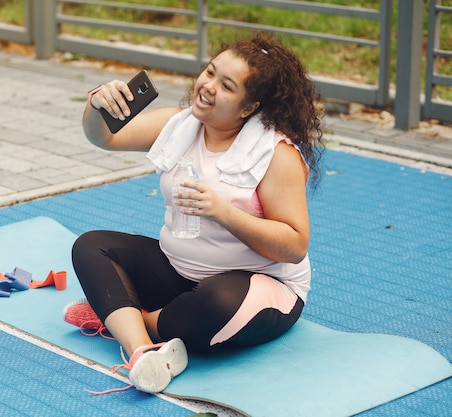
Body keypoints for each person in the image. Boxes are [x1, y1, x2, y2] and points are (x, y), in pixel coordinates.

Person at [64, 31, 324, 394]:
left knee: (215, 305)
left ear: (249, 108)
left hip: (257, 286)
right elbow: (103, 137)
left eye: (227, 85)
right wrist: (97, 106)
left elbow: (294, 245)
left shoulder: (276, 154)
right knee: (91, 246)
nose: (208, 86)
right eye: (211, 72)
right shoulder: (179, 124)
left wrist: (223, 213)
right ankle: (143, 354)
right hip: (179, 272)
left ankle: (125, 318)